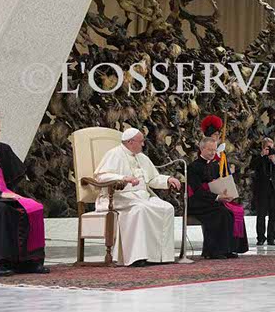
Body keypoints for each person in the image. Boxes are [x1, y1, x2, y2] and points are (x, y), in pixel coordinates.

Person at [94, 128, 181, 267]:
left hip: (141, 197)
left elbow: (153, 178)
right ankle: (137, 256)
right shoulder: (114, 154)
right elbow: (101, 177)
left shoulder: (142, 157)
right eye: (141, 142)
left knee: (167, 208)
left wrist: (168, 179)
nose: (143, 144)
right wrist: (123, 178)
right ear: (130, 142)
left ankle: (159, 256)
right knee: (140, 209)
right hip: (119, 197)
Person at [0, 113, 49, 277]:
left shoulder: (2, 149)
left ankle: (30, 262)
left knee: (34, 208)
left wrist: (8, 193)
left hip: (2, 195)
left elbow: (14, 176)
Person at [188, 137, 246, 259]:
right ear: (202, 149)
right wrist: (218, 197)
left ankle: (228, 249)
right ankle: (213, 251)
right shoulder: (193, 167)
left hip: (213, 200)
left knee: (233, 212)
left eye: (214, 150)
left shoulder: (215, 166)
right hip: (198, 202)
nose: (213, 153)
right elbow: (197, 190)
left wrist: (225, 194)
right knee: (221, 213)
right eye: (210, 150)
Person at [199, 114, 248, 254]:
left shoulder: (221, 153)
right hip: (209, 194)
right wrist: (216, 155)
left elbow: (225, 173)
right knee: (225, 213)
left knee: (237, 210)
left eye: (218, 135)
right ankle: (221, 248)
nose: (217, 137)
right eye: (215, 135)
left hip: (222, 191)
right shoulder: (204, 151)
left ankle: (233, 247)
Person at [250, 137, 275, 246]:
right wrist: (262, 155)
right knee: (261, 214)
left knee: (273, 214)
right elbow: (252, 166)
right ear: (263, 147)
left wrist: (274, 161)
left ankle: (271, 237)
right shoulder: (258, 156)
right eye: (267, 147)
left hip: (274, 188)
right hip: (262, 189)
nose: (269, 149)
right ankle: (260, 237)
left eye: (271, 147)